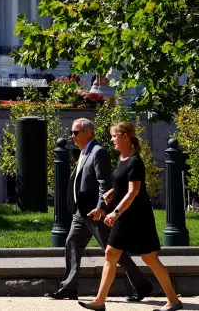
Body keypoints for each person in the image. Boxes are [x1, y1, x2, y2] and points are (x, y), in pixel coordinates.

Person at [79, 121, 182, 311]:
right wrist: (111, 192)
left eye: (114, 136)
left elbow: (134, 191)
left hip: (136, 218)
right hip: (126, 217)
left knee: (149, 258)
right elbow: (124, 185)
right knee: (111, 254)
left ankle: (174, 300)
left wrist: (115, 212)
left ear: (125, 137)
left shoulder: (135, 161)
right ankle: (100, 301)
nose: (111, 140)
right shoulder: (122, 159)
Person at [46, 118, 151, 301]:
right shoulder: (83, 152)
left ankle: (141, 285)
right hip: (81, 212)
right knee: (72, 243)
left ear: (88, 133)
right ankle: (69, 287)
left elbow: (104, 183)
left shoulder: (98, 152)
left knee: (113, 251)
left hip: (95, 212)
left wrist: (101, 208)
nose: (72, 136)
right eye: (71, 132)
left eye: (76, 132)